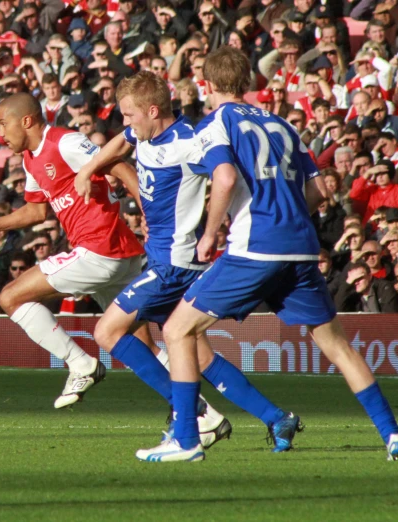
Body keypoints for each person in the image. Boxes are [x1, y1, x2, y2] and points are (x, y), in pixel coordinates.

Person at [150, 47, 398, 463]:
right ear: (250, 83)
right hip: (301, 249)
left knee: (177, 330)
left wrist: (211, 231)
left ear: (208, 84)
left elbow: (225, 175)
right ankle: (393, 436)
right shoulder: (283, 125)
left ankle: (185, 440)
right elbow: (316, 190)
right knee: (339, 347)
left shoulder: (217, 121)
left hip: (256, 247)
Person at [77, 71, 310, 450]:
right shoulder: (143, 132)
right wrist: (89, 168)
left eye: (130, 114)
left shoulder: (192, 142)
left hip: (176, 264)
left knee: (107, 331)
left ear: (154, 110)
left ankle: (190, 413)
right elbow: (121, 142)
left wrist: (217, 226)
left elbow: (227, 175)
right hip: (168, 260)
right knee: (197, 354)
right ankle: (277, 418)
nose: (126, 123)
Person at [0, 92, 145, 408]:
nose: (0, 134)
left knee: (10, 296)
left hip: (99, 249)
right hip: (120, 255)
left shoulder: (65, 142)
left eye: (4, 123)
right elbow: (35, 213)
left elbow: (119, 166)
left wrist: (150, 212)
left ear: (26, 121)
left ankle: (80, 363)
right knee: (138, 342)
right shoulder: (31, 159)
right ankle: (200, 413)